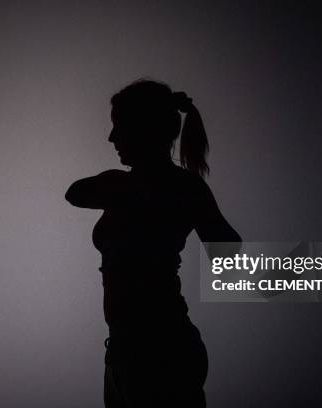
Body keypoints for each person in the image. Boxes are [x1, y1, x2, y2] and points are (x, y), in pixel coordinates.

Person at [65, 79, 241, 407]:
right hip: (124, 353)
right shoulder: (130, 184)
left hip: (160, 350)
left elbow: (228, 250)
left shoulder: (181, 187)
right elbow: (74, 193)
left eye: (119, 127)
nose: (112, 137)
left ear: (143, 128)